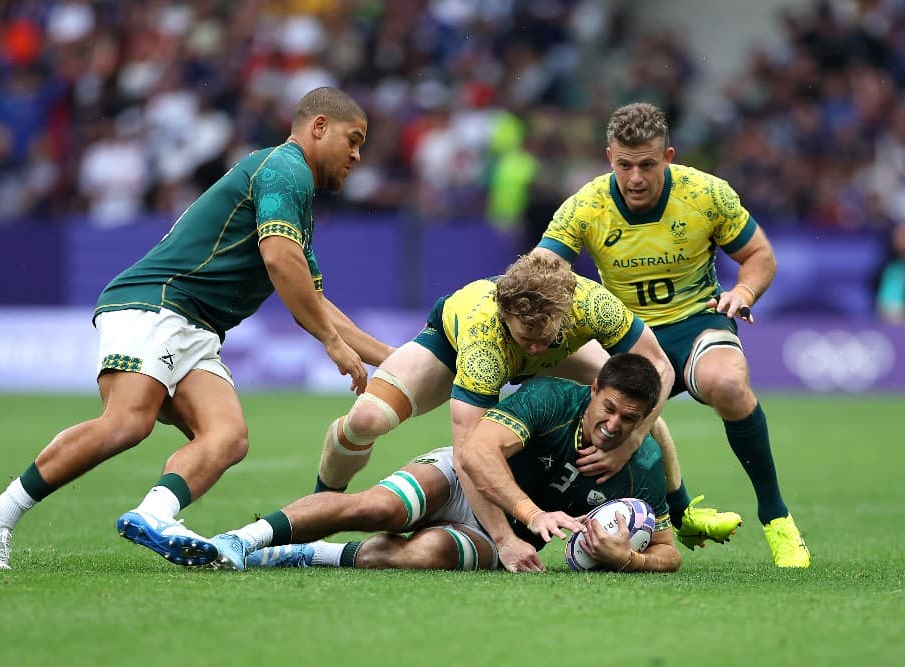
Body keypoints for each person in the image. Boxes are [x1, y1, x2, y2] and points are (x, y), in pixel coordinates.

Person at [0, 87, 394, 570]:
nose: (357, 155)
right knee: (128, 421)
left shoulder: (292, 194)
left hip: (196, 327)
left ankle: (155, 514)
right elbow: (279, 260)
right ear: (318, 127)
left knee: (228, 436)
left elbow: (314, 299)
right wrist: (333, 345)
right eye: (352, 139)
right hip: (158, 303)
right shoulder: (285, 168)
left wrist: (400, 363)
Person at [309, 251, 732, 571]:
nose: (532, 346)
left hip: (554, 352)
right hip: (456, 347)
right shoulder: (485, 337)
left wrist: (632, 441)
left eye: (542, 336)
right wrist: (503, 537)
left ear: (562, 315)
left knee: (623, 398)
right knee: (366, 420)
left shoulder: (592, 304)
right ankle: (321, 502)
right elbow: (470, 451)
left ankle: (681, 510)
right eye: (525, 336)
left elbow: (657, 367)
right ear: (507, 316)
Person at [533, 102, 810, 567]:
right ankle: (679, 517)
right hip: (623, 335)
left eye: (647, 164)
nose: (635, 178)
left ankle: (777, 519)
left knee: (727, 383)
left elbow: (760, 255)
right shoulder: (585, 206)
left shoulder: (706, 194)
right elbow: (542, 271)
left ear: (669, 157)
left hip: (695, 322)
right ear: (609, 158)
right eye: (624, 165)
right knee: (604, 426)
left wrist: (743, 291)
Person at [202, 353, 681, 573]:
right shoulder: (553, 397)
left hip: (510, 540)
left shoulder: (644, 465)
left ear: (644, 419)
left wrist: (630, 559)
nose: (615, 425)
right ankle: (239, 540)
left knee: (428, 553)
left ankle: (304, 553)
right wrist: (532, 514)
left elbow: (668, 552)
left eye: (630, 419)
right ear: (594, 390)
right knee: (378, 509)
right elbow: (478, 451)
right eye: (609, 408)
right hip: (463, 480)